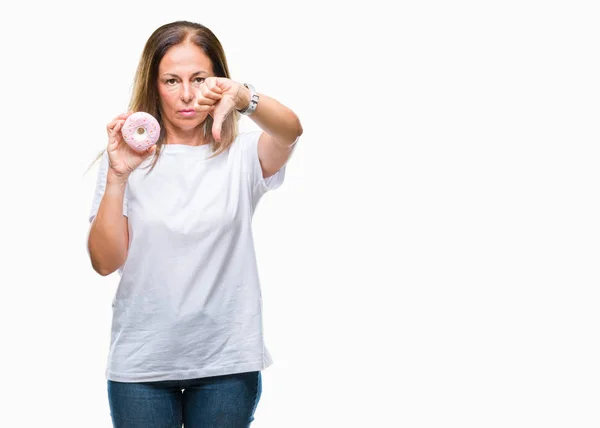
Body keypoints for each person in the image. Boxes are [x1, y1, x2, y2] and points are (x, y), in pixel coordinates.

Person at [86, 20, 302, 428]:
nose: (186, 94)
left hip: (226, 362)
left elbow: (291, 131)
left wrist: (244, 97)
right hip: (142, 365)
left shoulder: (243, 154)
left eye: (199, 79)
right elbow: (104, 261)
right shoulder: (126, 160)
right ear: (154, 85)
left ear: (217, 81)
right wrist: (117, 177)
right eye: (171, 80)